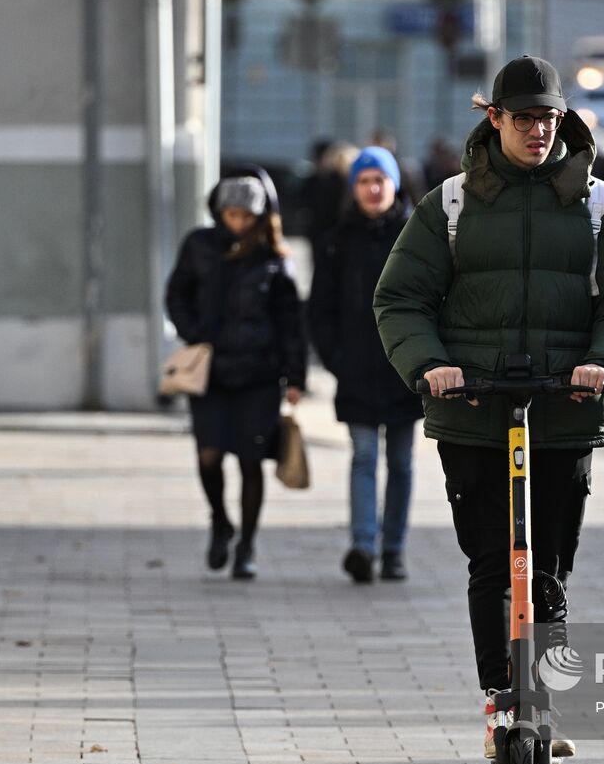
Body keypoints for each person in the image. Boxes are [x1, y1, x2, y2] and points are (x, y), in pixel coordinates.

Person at [373, 55, 604, 759]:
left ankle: (542, 699)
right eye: (525, 117)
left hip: (564, 410)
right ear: (494, 118)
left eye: (549, 118)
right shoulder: (449, 203)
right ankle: (503, 702)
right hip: (474, 408)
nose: (538, 131)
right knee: (492, 564)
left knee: (550, 565)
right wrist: (431, 365)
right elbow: (401, 298)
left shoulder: (597, 204)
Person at [165, 167, 308, 580]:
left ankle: (246, 545)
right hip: (209, 373)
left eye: (246, 216)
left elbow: (290, 322)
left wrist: (295, 377)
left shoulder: (274, 258)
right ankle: (220, 520)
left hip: (259, 375)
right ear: (219, 211)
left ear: (260, 217)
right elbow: (176, 294)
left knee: (250, 461)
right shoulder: (199, 245)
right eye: (231, 214)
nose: (239, 222)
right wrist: (195, 334)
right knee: (208, 456)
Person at [308, 147, 422, 584]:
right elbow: (320, 307)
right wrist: (336, 359)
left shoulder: (416, 236)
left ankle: (393, 549)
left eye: (380, 179)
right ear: (353, 188)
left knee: (401, 461)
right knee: (363, 456)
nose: (373, 189)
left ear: (394, 184)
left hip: (404, 371)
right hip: (355, 369)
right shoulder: (337, 240)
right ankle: (363, 545)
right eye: (364, 180)